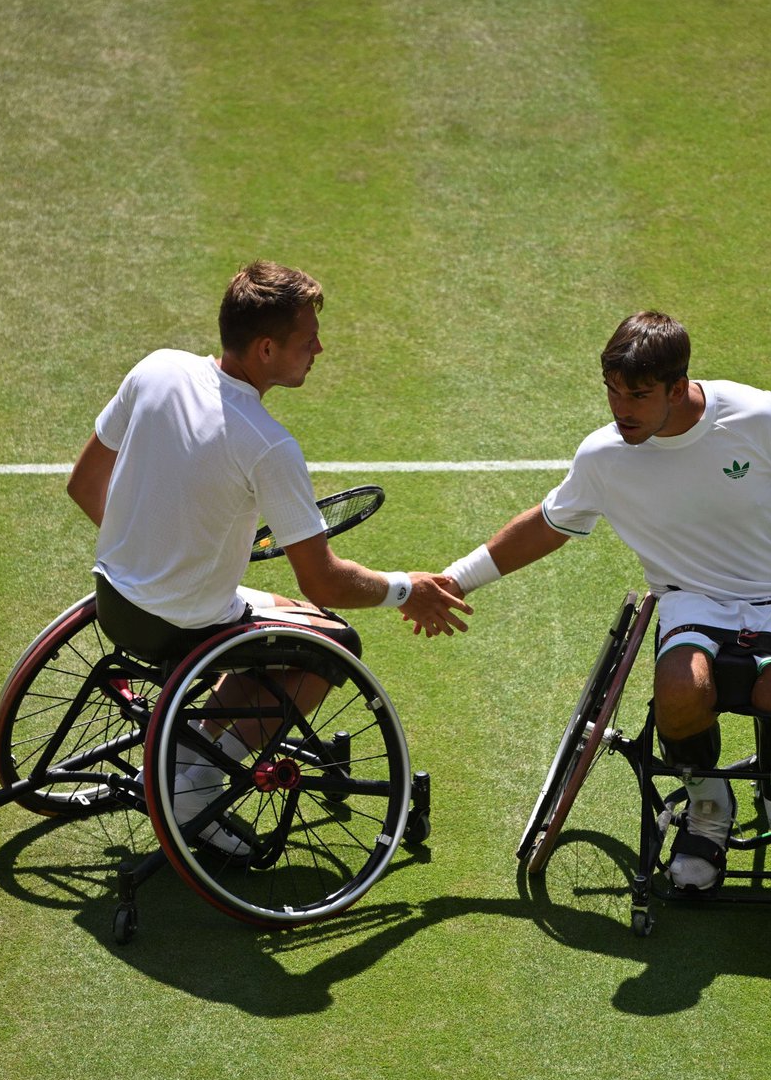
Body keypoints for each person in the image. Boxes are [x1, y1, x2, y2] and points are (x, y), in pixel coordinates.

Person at [435, 310, 771, 892]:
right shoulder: (603, 456)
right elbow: (546, 526)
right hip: (690, 601)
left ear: (678, 387)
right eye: (612, 391)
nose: (622, 409)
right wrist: (454, 580)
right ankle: (708, 810)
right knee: (677, 689)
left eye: (638, 395)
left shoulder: (756, 415)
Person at [68, 260, 471, 855]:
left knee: (279, 612)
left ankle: (186, 746)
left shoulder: (156, 369)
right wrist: (405, 587)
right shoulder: (268, 445)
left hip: (116, 600)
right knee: (332, 640)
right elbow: (325, 581)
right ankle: (199, 781)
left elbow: (84, 484)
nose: (320, 348)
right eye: (308, 339)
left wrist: (164, 544)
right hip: (180, 622)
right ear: (264, 348)